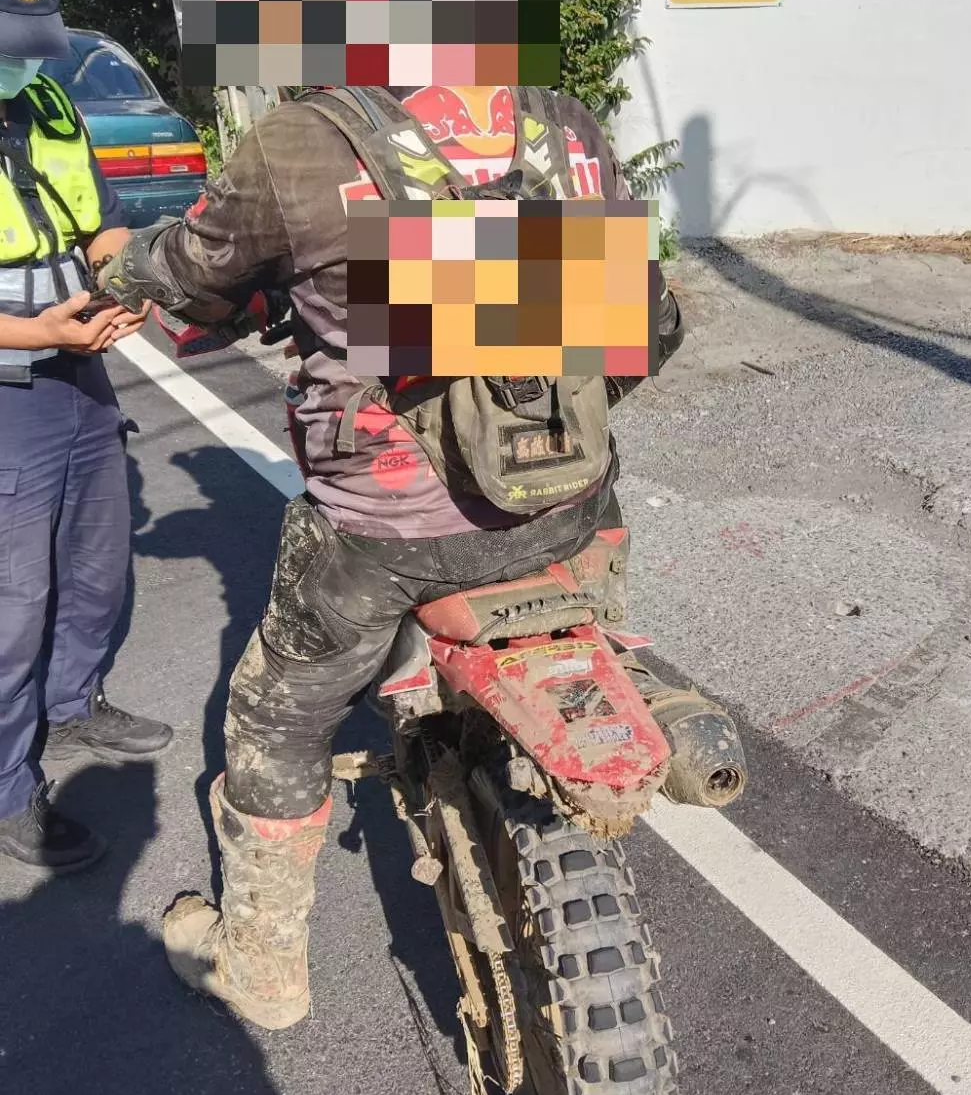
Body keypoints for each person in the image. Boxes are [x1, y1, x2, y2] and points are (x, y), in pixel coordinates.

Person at [98, 74, 728, 1029]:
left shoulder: (301, 140)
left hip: (385, 537)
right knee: (586, 563)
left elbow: (192, 276)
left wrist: (120, 265)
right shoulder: (558, 122)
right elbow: (650, 327)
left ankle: (262, 968)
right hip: (569, 508)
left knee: (277, 712)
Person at [0, 0, 172, 875]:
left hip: (80, 366)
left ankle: (71, 708)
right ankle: (7, 791)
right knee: (12, 600)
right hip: (10, 385)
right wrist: (40, 333)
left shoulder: (48, 104)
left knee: (97, 563)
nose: (24, 64)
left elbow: (100, 227)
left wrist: (133, 277)